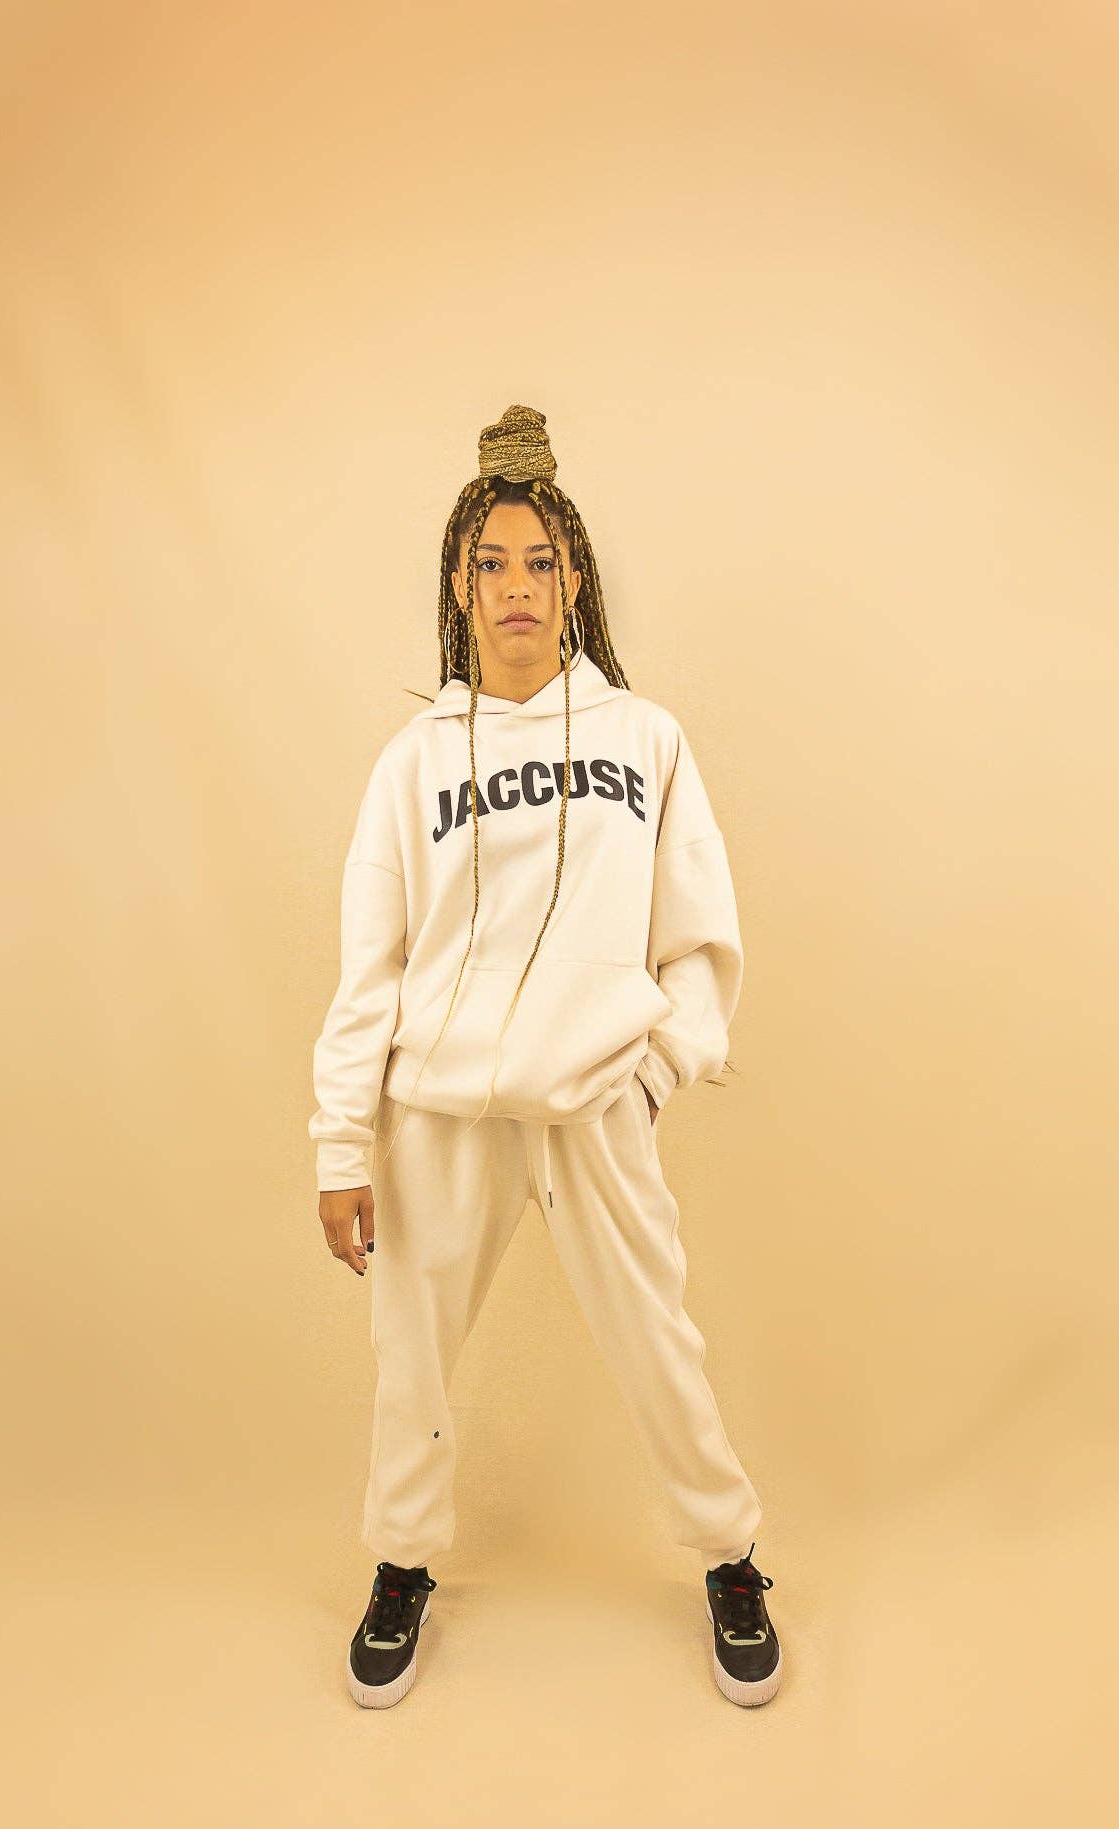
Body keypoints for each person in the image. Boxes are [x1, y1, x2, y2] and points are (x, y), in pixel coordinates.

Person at [310, 403, 781, 1710]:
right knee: (411, 1352)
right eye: (491, 564)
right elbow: (370, 969)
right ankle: (402, 1563)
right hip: (440, 1108)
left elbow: (700, 937)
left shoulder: (645, 738)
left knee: (659, 1339)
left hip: (593, 1104)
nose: (516, 586)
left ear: (574, 581)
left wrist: (656, 1068)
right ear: (458, 587)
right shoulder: (411, 764)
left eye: (540, 562)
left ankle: (730, 1556)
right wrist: (341, 1144)